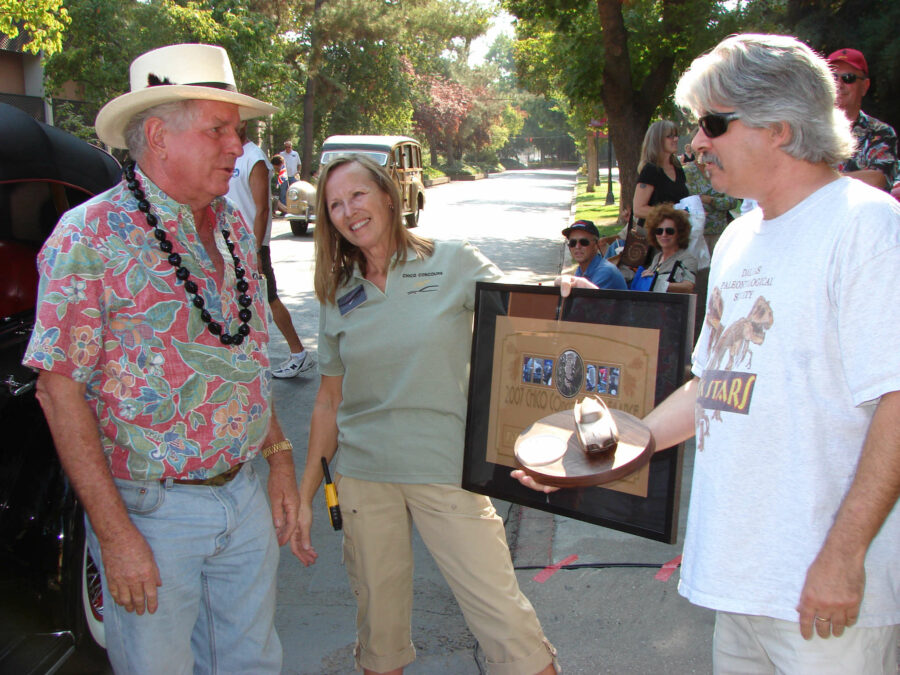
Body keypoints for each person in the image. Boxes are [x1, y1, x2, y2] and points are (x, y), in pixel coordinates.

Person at [517, 34, 900, 674]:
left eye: (712, 124)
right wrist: (610, 452)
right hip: (739, 579)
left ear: (779, 126)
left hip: (828, 594)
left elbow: (895, 398)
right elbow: (714, 383)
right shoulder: (739, 239)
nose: (696, 143)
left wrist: (842, 555)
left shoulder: (867, 225)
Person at [22, 44, 301, 673]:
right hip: (150, 513)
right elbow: (58, 391)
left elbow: (247, 355)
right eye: (218, 129)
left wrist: (278, 455)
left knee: (252, 664)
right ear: (157, 135)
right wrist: (115, 536)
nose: (238, 146)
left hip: (244, 499)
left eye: (239, 131)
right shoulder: (89, 236)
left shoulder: (230, 221)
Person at [292, 154, 557, 675]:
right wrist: (305, 497)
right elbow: (328, 400)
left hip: (446, 469)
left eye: (358, 195)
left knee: (508, 627)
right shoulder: (337, 291)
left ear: (389, 196)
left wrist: (569, 298)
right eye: (336, 204)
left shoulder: (452, 260)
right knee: (380, 638)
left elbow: (522, 311)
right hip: (365, 478)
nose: (349, 211)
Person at [227, 123, 315, 378]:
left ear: (242, 123)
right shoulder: (226, 153)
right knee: (237, 301)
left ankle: (298, 354)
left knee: (269, 298)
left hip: (250, 245)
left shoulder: (253, 158)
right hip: (228, 242)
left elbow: (262, 208)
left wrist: (255, 248)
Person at [827, 48, 898, 191]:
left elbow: (877, 179)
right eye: (833, 77)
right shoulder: (806, 129)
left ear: (865, 87)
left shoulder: (881, 133)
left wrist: (819, 181)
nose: (839, 84)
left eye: (848, 78)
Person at [632, 119, 689, 227]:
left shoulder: (676, 166)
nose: (676, 139)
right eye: (670, 136)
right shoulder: (650, 169)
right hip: (655, 236)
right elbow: (638, 209)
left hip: (677, 235)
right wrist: (672, 214)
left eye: (676, 135)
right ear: (657, 140)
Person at [682, 157, 740, 252]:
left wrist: (710, 200)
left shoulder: (723, 170)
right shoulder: (687, 172)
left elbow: (732, 202)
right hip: (696, 233)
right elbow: (687, 201)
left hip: (720, 233)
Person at [638, 205, 697, 293]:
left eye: (669, 231)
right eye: (659, 231)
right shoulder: (657, 258)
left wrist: (658, 283)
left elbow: (688, 286)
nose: (664, 235)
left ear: (679, 233)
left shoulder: (687, 258)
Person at [562, 219, 627, 290]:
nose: (577, 247)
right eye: (572, 243)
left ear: (596, 245)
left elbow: (586, 299)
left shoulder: (605, 272)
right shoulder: (581, 270)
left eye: (584, 242)